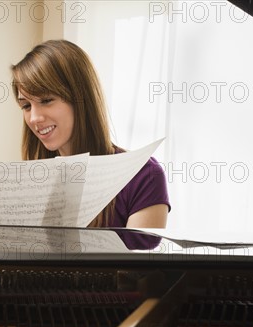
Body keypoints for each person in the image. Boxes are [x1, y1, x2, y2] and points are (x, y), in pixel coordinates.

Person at [11, 39, 170, 228]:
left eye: (46, 100)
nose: (34, 118)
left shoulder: (144, 176)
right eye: (26, 106)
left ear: (81, 99)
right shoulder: (32, 182)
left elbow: (138, 257)